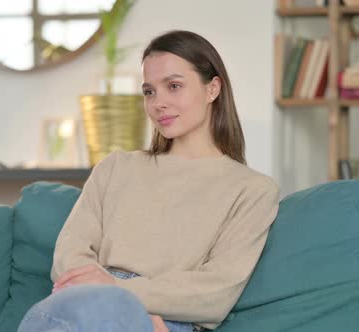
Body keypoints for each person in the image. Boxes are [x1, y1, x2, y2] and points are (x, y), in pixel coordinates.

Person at [17, 30, 280, 332]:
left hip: (165, 317)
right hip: (83, 302)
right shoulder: (116, 167)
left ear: (212, 89)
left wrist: (123, 293)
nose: (158, 103)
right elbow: (69, 253)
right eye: (149, 91)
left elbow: (216, 293)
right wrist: (104, 291)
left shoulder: (252, 190)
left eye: (174, 86)